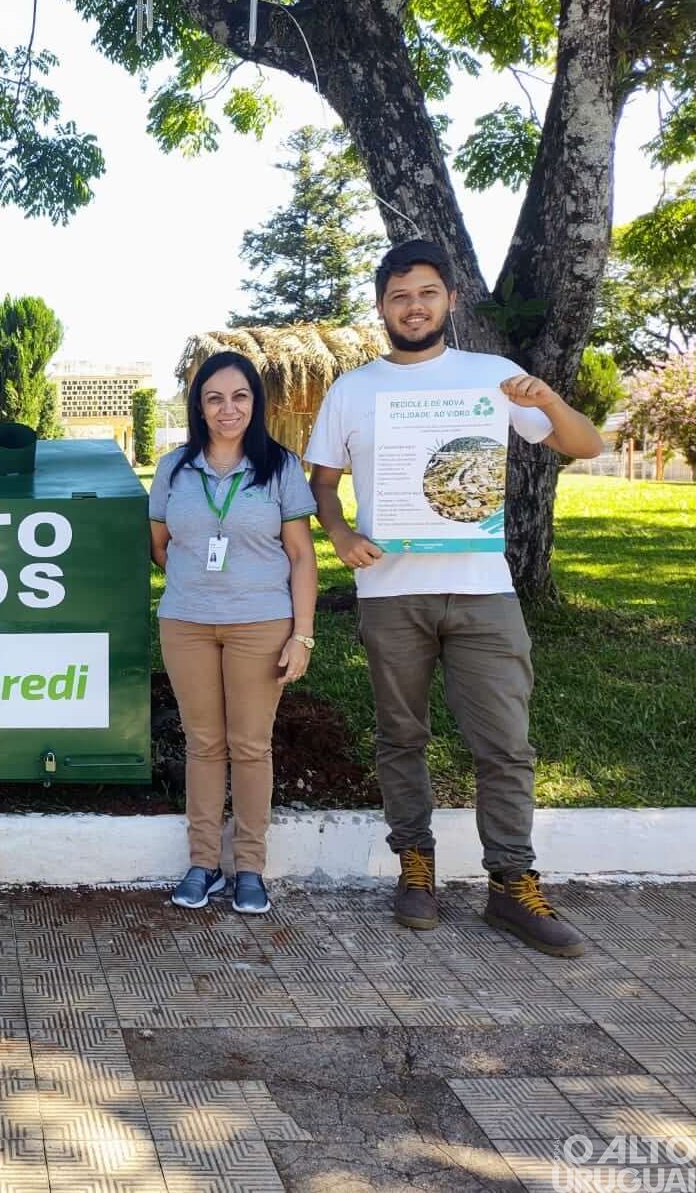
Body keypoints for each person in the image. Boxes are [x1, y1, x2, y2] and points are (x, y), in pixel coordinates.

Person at [305, 239, 604, 957]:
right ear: (382, 306)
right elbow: (320, 481)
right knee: (400, 735)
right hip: (390, 593)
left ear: (450, 300)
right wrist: (341, 532)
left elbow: (585, 445)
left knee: (504, 743)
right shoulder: (353, 389)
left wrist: (549, 399)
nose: (414, 306)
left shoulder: (492, 377)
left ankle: (511, 884)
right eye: (400, 295)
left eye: (427, 293)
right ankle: (416, 865)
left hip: (481, 591)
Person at [150, 351, 318, 915]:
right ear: (199, 406)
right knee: (203, 743)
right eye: (215, 398)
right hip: (187, 623)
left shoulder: (280, 468)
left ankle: (249, 867)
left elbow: (301, 556)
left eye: (239, 397)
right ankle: (203, 863)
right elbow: (160, 545)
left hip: (261, 625)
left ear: (255, 402)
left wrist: (304, 634)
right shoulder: (174, 469)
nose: (228, 409)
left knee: (249, 746)